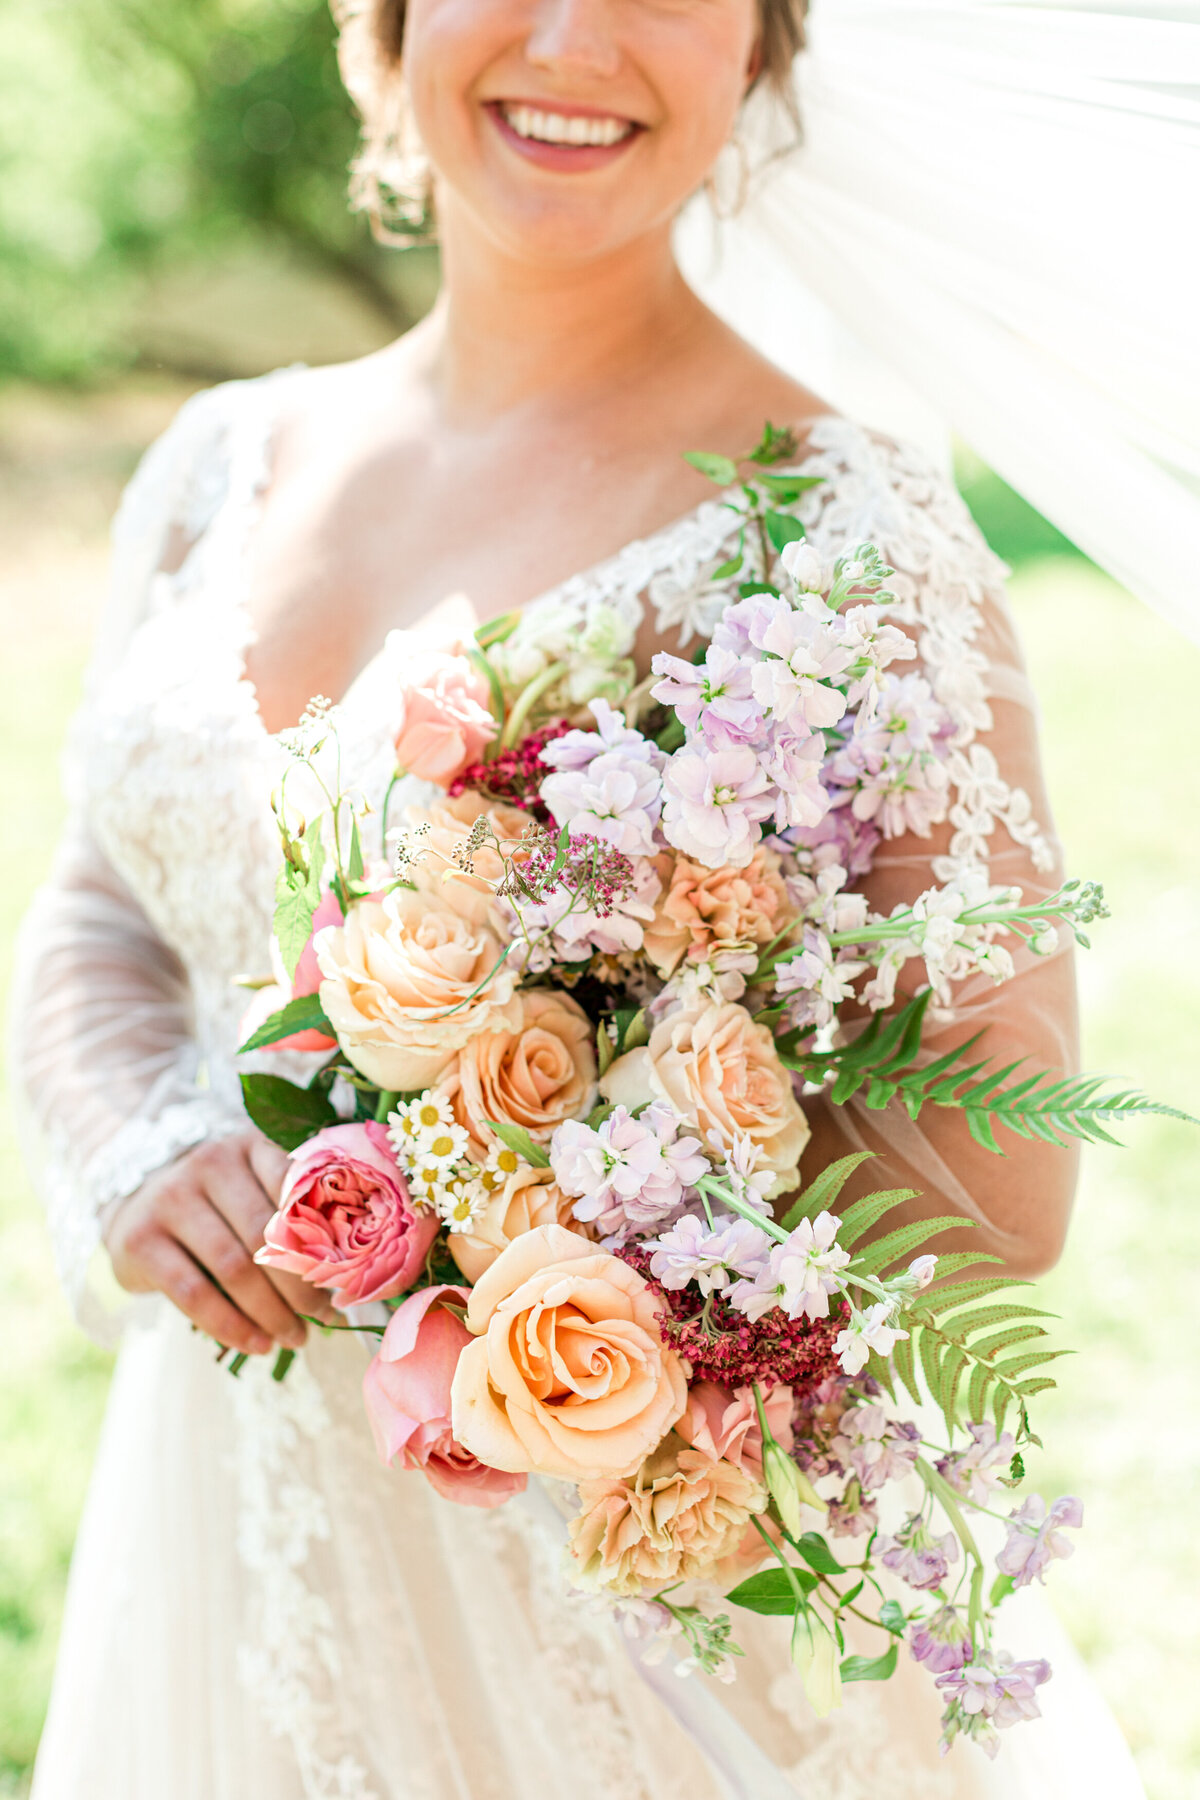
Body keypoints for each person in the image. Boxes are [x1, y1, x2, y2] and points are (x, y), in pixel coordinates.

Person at [11, 0, 1145, 1793]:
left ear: (766, 51)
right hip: (235, 1521)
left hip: (630, 1585)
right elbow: (104, 911)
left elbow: (1002, 1181)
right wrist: (140, 1148)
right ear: (381, 21)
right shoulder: (216, 465)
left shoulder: (849, 537)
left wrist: (530, 1175)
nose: (571, 35)